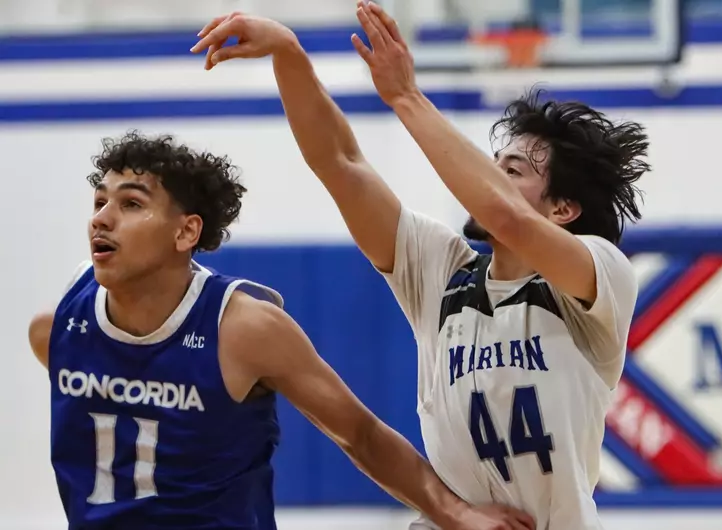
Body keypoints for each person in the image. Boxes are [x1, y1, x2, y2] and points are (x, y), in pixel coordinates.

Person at [192, 2, 645, 527]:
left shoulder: (601, 277)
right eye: (489, 167)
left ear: (562, 210)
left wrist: (405, 95)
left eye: (511, 170)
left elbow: (509, 216)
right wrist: (289, 55)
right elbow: (340, 164)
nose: (485, 180)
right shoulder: (441, 271)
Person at [27, 131, 536, 530]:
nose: (102, 219)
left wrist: (456, 513)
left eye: (130, 204)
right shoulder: (64, 326)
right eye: (99, 202)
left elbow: (359, 433)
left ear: (186, 232)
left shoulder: (245, 327)